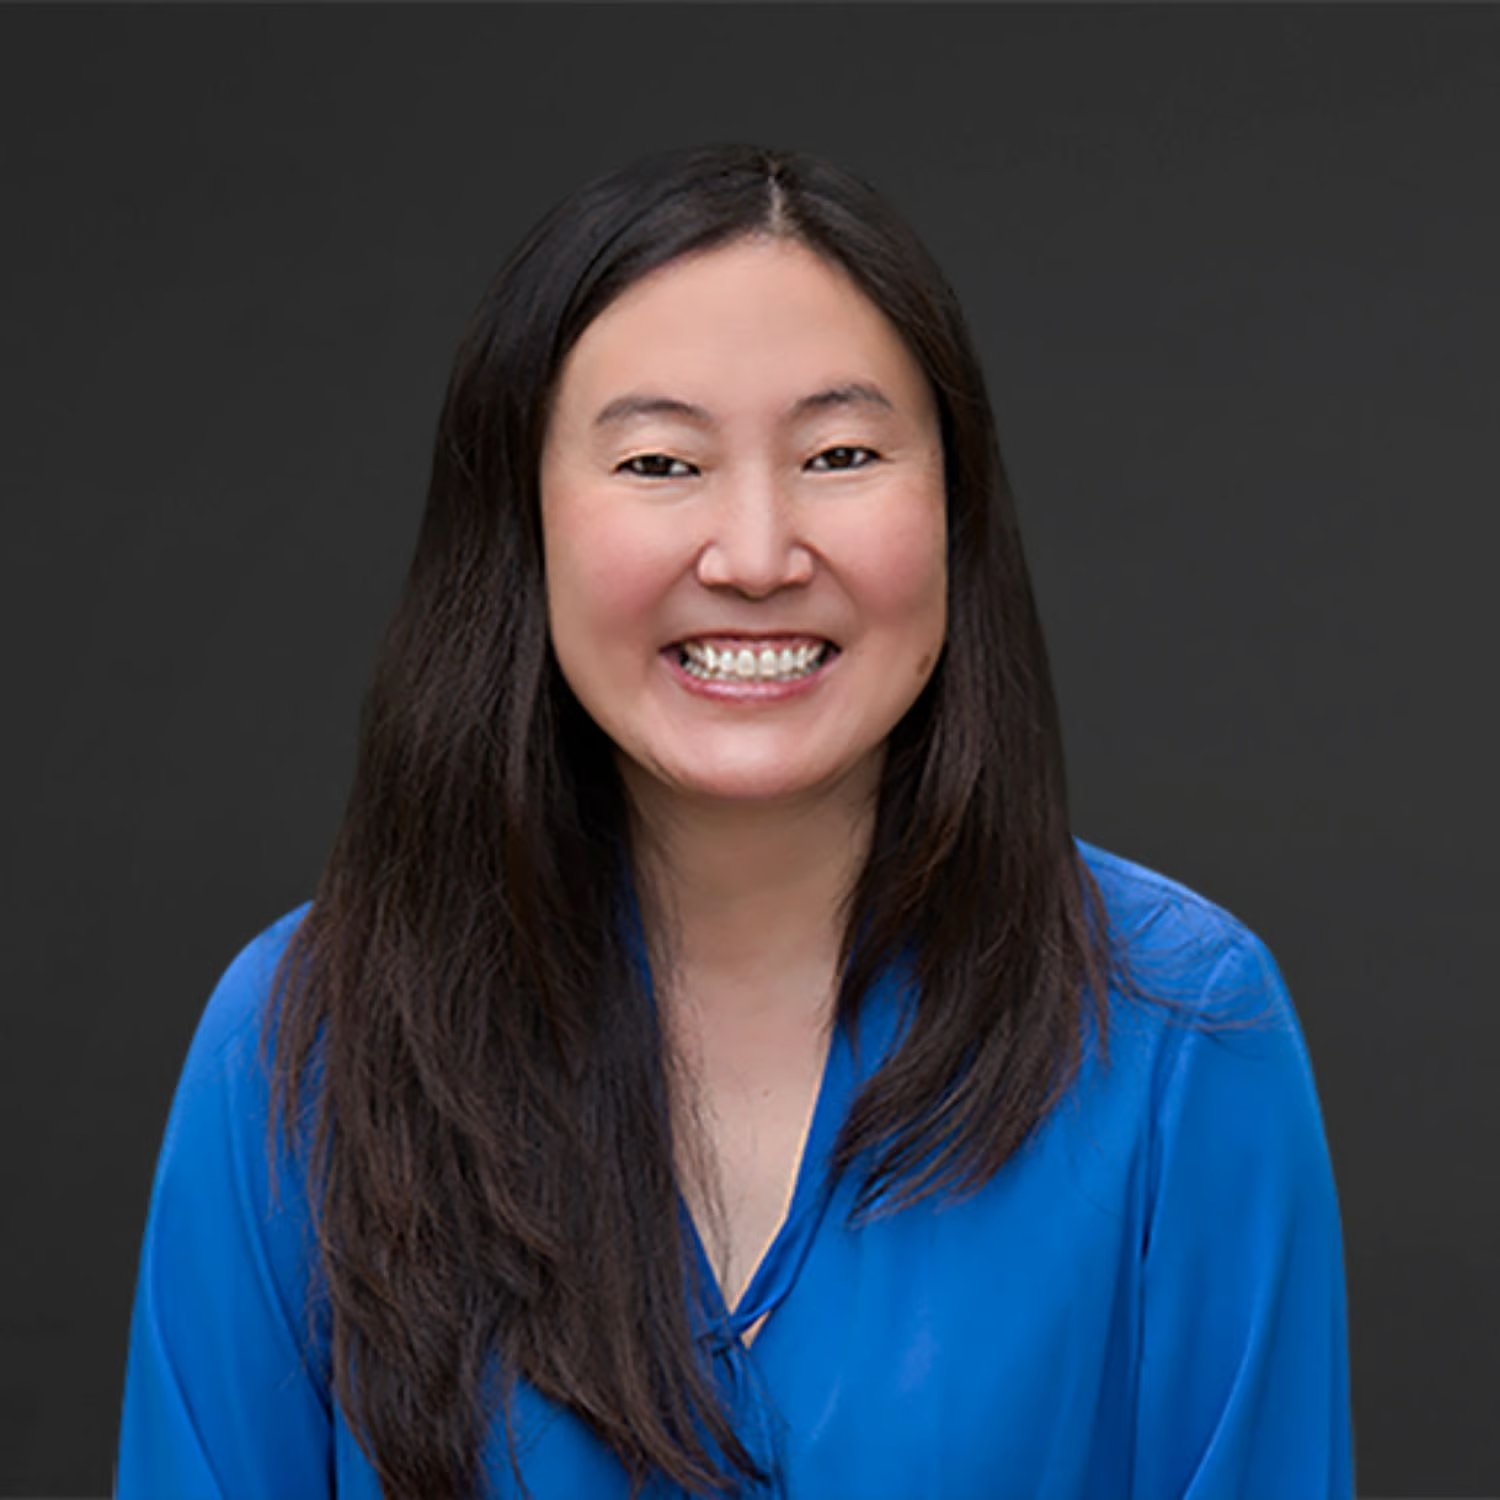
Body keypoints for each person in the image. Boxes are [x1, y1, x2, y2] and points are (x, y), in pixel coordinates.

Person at [115, 142, 1355, 1500]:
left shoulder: (1179, 1029)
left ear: (957, 511)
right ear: (519, 522)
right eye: (659, 463)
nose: (757, 555)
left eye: (839, 453)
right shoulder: (303, 1048)